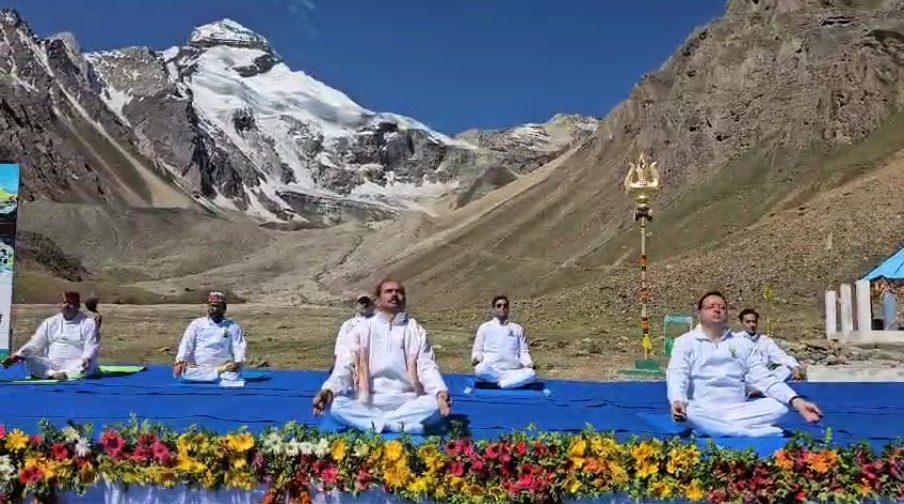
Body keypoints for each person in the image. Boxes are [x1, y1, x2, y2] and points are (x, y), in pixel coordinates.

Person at [667, 291, 823, 437]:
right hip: (702, 409)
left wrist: (797, 401)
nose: (717, 310)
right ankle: (748, 432)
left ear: (727, 314)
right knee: (687, 413)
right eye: (711, 306)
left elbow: (763, 377)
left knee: (782, 406)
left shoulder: (742, 344)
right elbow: (677, 374)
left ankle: (716, 429)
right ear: (699, 313)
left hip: (737, 410)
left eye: (722, 307)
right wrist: (678, 400)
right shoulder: (685, 342)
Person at [313, 280, 452, 433]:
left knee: (434, 405)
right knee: (336, 405)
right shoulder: (361, 328)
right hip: (368, 401)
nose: (395, 294)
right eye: (389, 291)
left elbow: (427, 366)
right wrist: (329, 390)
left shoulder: (416, 331)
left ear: (404, 300)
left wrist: (440, 392)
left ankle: (376, 424)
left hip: (407, 401)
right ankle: (398, 425)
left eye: (399, 292)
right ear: (378, 300)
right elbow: (345, 365)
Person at [1, 292, 99, 380]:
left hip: (76, 364)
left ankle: (57, 375)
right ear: (60, 305)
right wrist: (16, 357)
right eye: (65, 302)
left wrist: (87, 357)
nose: (67, 306)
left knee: (85, 366)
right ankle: (53, 374)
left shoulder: (88, 323)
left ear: (78, 305)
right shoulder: (50, 322)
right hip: (53, 366)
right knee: (29, 358)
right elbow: (34, 344)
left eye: (70, 303)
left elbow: (91, 345)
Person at [173, 291, 247, 382]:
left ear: (224, 308)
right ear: (208, 307)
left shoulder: (232, 326)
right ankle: (214, 374)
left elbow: (238, 346)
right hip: (199, 368)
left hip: (224, 367)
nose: (214, 309)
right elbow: (186, 343)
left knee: (231, 375)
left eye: (218, 306)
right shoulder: (197, 324)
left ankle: (216, 373)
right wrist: (180, 361)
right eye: (212, 306)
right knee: (184, 373)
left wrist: (238, 362)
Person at [471, 295, 536, 389]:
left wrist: (528, 363)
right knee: (480, 370)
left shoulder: (517, 329)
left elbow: (524, 351)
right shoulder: (485, 328)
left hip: (513, 370)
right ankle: (509, 383)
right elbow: (478, 349)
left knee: (531, 374)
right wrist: (476, 359)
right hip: (492, 370)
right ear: (494, 309)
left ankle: (502, 383)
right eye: (499, 305)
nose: (502, 308)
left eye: (505, 306)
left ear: (508, 308)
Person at [736, 308, 804, 382]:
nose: (752, 325)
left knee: (786, 370)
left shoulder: (764, 340)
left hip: (763, 375)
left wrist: (795, 366)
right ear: (741, 322)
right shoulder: (735, 339)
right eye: (748, 322)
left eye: (754, 321)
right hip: (745, 376)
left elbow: (779, 355)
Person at [334, 294, 376, 360]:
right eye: (361, 303)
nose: (364, 305)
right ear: (357, 306)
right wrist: (337, 356)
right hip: (349, 359)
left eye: (366, 303)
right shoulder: (348, 324)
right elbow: (340, 342)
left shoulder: (376, 324)